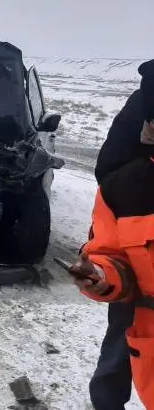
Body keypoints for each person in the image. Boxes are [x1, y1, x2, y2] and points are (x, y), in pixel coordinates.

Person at [87, 61, 154, 410]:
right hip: (134, 231)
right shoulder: (142, 100)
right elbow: (108, 166)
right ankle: (107, 401)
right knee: (123, 333)